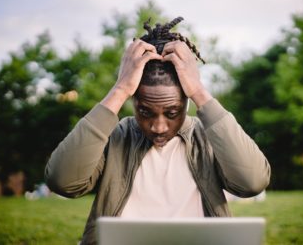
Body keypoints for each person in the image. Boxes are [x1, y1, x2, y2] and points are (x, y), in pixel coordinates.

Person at [45, 17, 271, 244]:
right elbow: (63, 182)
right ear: (133, 100)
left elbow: (252, 182)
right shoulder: (114, 136)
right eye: (145, 112)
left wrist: (199, 91)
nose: (158, 127)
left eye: (172, 113)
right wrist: (120, 88)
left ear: (187, 101)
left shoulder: (210, 136)